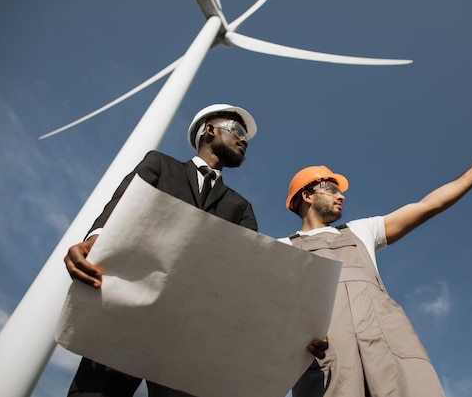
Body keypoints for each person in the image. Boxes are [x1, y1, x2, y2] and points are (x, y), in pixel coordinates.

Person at [63, 104, 327, 397]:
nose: (244, 140)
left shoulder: (240, 207)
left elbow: (250, 275)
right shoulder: (160, 165)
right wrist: (95, 239)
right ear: (210, 131)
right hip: (126, 313)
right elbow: (121, 207)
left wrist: (296, 330)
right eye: (237, 131)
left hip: (191, 341)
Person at [280, 136, 472, 397]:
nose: (341, 196)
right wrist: (295, 341)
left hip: (390, 349)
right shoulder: (279, 249)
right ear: (307, 195)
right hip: (328, 363)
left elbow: (427, 206)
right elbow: (267, 318)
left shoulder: (361, 231)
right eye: (331, 188)